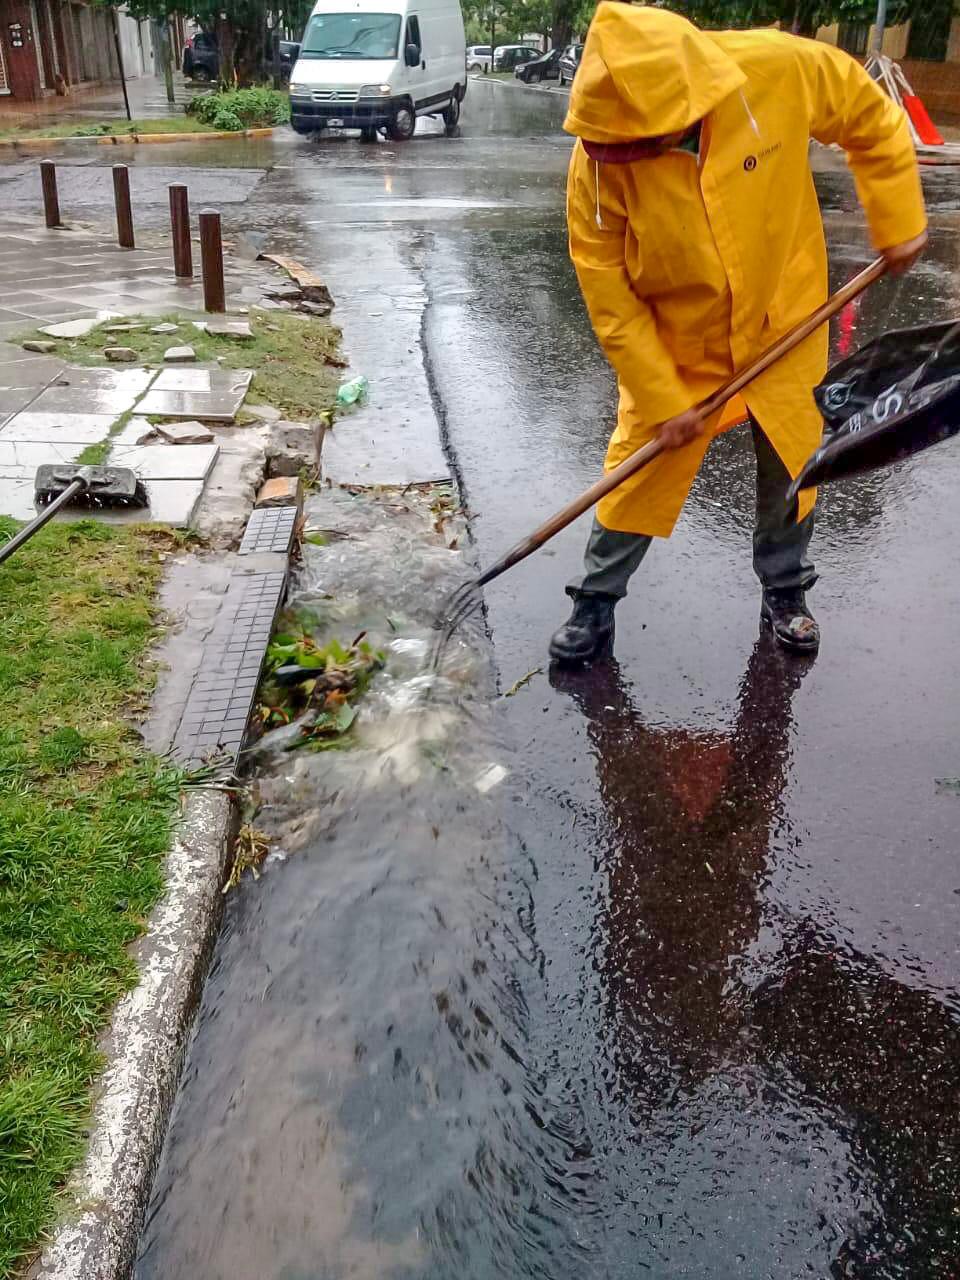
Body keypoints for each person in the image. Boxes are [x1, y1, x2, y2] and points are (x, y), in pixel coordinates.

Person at [549, 2, 928, 665]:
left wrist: (896, 220)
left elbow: (871, 117)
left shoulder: (778, 70)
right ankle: (594, 601)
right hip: (677, 341)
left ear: (681, 112)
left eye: (632, 144)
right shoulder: (599, 166)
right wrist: (663, 399)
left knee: (792, 460)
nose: (614, 155)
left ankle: (785, 589)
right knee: (637, 468)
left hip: (785, 317)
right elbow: (608, 296)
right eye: (603, 143)